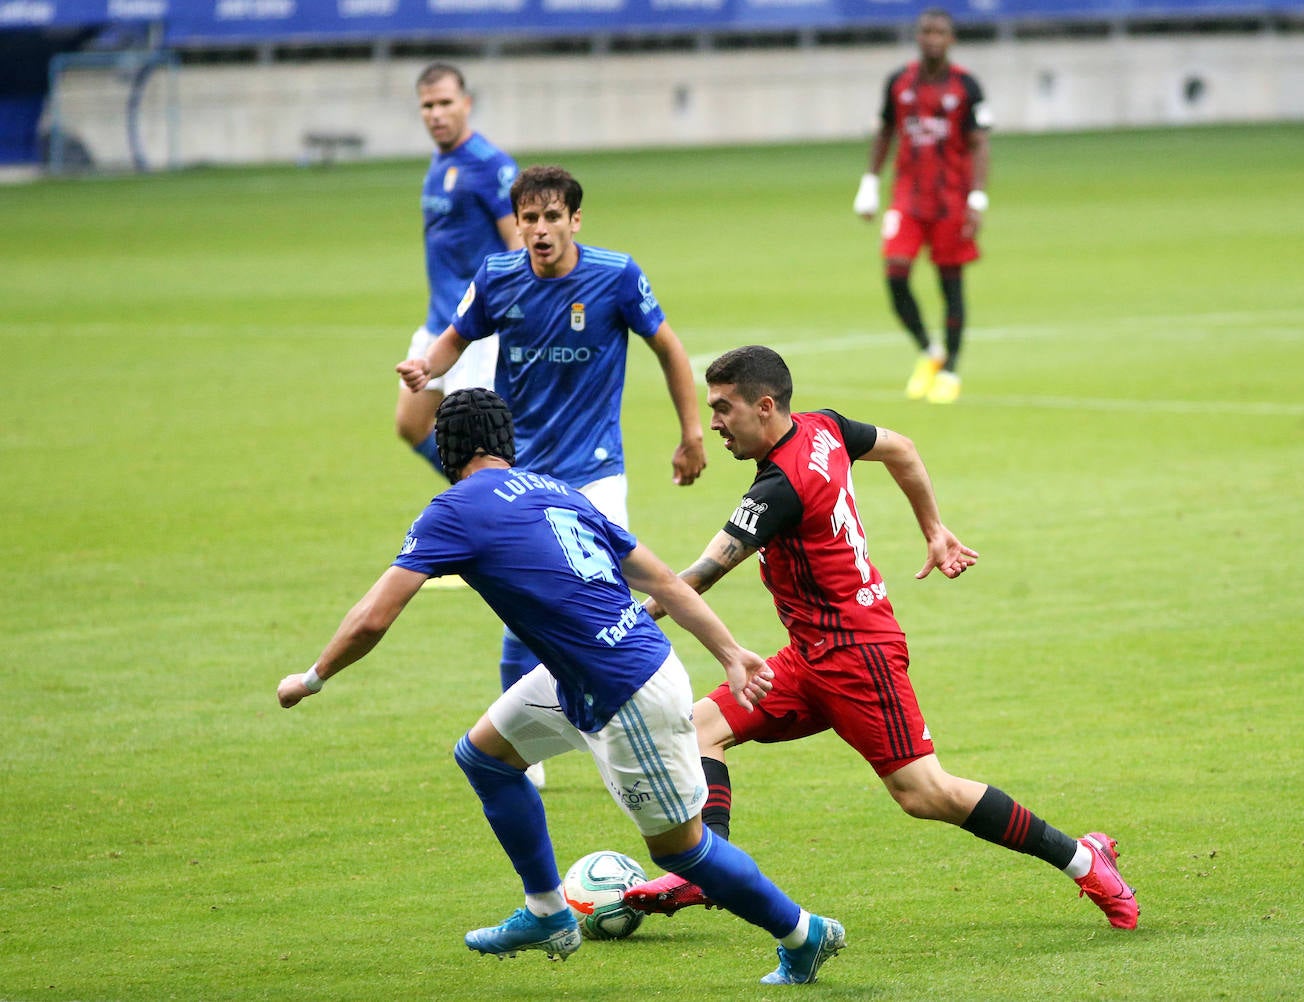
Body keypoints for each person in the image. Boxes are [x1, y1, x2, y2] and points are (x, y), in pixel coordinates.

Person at [276, 388, 846, 985]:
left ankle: (804, 932)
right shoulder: (556, 490)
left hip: (623, 689)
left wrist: (313, 678)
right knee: (486, 756)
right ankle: (547, 912)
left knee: (682, 850)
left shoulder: (454, 507)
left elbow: (373, 618)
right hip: (589, 670)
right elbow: (664, 581)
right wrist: (728, 653)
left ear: (453, 449)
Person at [622, 346, 1139, 932]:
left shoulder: (776, 490)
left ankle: (1082, 858)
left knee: (925, 792)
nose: (713, 422)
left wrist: (622, 617)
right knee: (697, 731)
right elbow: (902, 448)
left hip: (857, 654)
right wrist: (934, 529)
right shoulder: (825, 427)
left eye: (723, 408)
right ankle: (708, 869)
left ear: (764, 407)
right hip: (810, 653)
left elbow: (696, 579)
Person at [397, 165, 708, 784]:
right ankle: (525, 738)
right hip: (523, 471)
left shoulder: (615, 275)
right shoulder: (497, 277)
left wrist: (691, 432)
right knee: (526, 604)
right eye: (528, 219)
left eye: (550, 218)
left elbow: (669, 347)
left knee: (609, 589)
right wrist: (424, 367)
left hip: (595, 470)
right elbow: (455, 338)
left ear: (575, 220)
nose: (539, 230)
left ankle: (628, 703)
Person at [852, 7, 991, 404]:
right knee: (895, 275)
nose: (932, 38)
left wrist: (977, 198)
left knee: (951, 284)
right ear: (918, 36)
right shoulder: (899, 83)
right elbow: (885, 132)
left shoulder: (967, 87)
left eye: (940, 32)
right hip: (908, 200)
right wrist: (869, 184)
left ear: (951, 39)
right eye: (926, 31)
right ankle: (930, 353)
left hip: (951, 202)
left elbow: (981, 144)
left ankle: (950, 371)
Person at [398, 62, 522, 478]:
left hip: (475, 331)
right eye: (427, 105)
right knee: (411, 424)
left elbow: (518, 244)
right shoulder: (439, 163)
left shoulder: (490, 166)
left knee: (477, 448)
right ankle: (483, 495)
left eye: (445, 103)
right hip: (437, 322)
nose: (436, 113)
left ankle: (497, 502)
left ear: (466, 104)